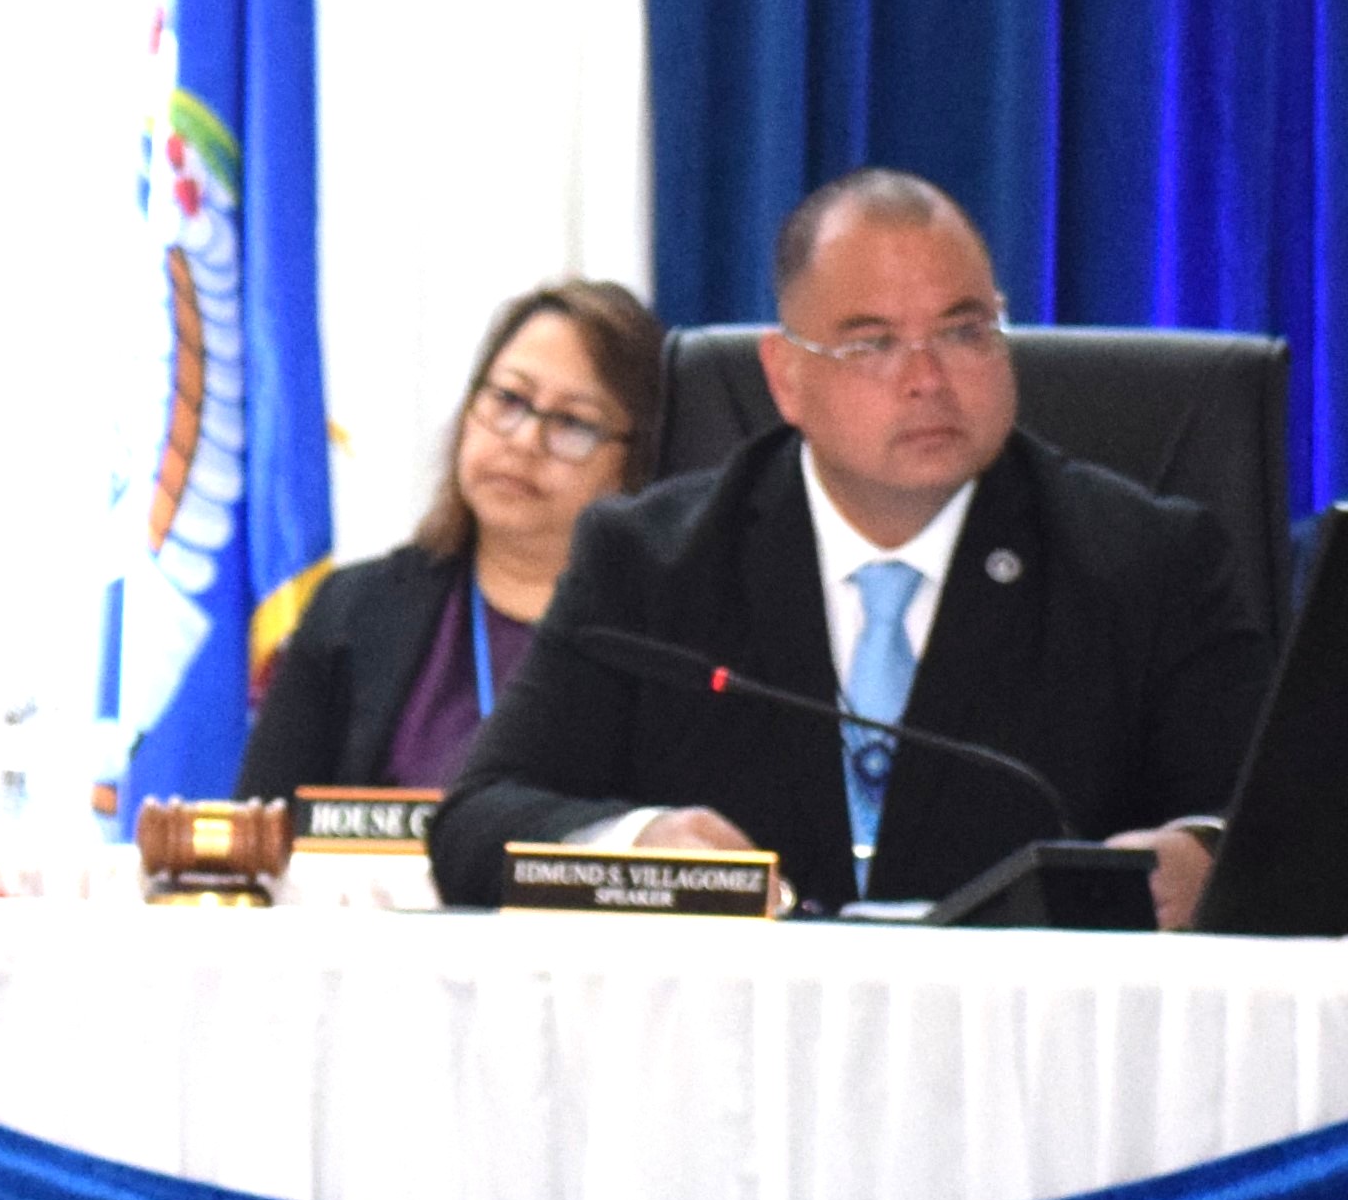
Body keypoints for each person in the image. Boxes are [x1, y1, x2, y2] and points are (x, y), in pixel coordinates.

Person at [432, 170, 1267, 924]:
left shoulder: (1145, 561)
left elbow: (1285, 826)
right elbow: (474, 824)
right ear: (786, 375)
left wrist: (1208, 858)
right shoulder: (651, 564)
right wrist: (639, 841)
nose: (928, 376)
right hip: (732, 1061)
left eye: (965, 330)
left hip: (1037, 1065)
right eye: (872, 342)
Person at [241, 281, 666, 798]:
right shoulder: (353, 613)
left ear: (634, 465)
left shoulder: (670, 645)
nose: (525, 441)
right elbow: (264, 832)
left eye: (573, 423)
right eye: (509, 399)